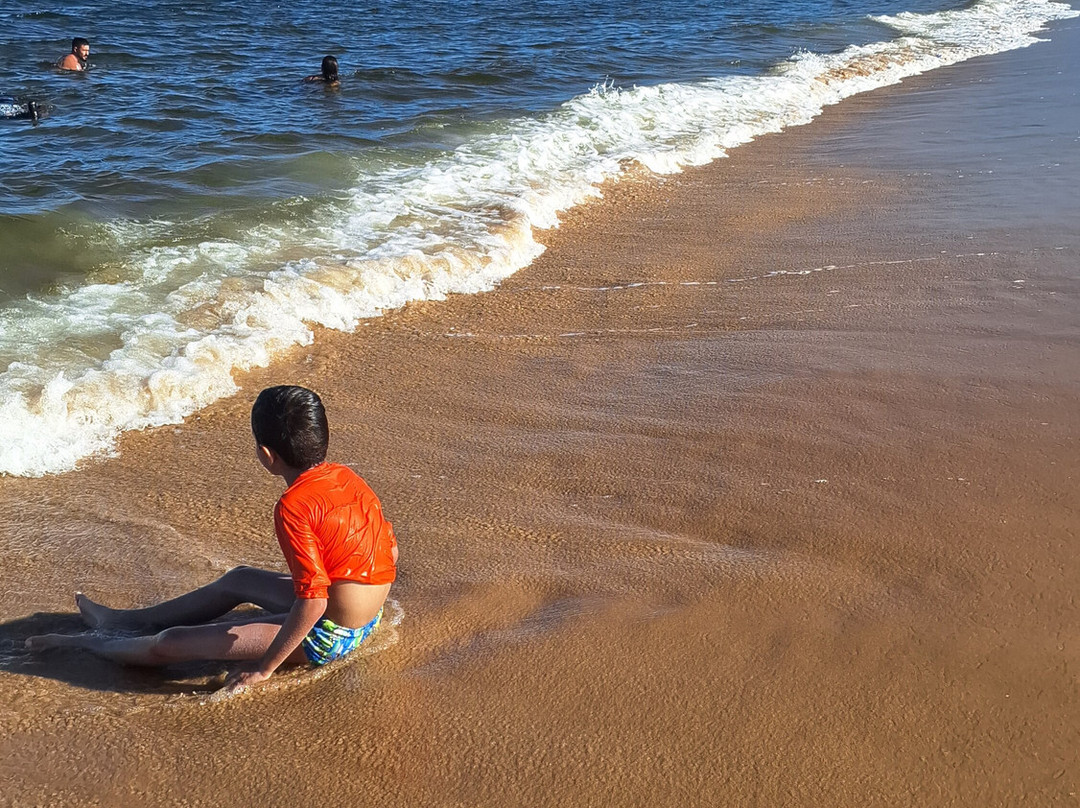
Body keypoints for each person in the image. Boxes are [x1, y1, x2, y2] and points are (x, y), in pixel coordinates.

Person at [27, 385, 399, 692]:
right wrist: (352, 597)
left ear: (266, 455)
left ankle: (87, 643)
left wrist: (264, 668)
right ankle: (123, 621)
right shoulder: (344, 476)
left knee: (170, 644)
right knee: (238, 579)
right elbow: (390, 550)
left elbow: (313, 604)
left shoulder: (293, 506)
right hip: (367, 613)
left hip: (333, 633)